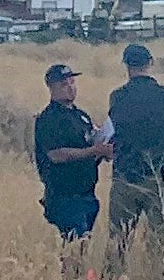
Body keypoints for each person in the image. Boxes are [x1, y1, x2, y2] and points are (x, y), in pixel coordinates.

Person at [104, 41, 164, 250]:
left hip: (126, 177)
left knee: (119, 242)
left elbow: (113, 130)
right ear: (150, 63)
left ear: (127, 66)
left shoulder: (117, 97)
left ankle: (115, 272)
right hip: (162, 179)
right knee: (161, 244)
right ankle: (156, 272)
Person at [33, 61, 111, 260]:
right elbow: (57, 155)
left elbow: (91, 142)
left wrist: (103, 149)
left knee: (82, 247)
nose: (70, 87)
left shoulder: (81, 116)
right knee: (74, 249)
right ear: (51, 88)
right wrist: (93, 150)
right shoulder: (49, 119)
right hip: (64, 196)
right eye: (64, 84)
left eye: (72, 83)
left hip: (87, 193)